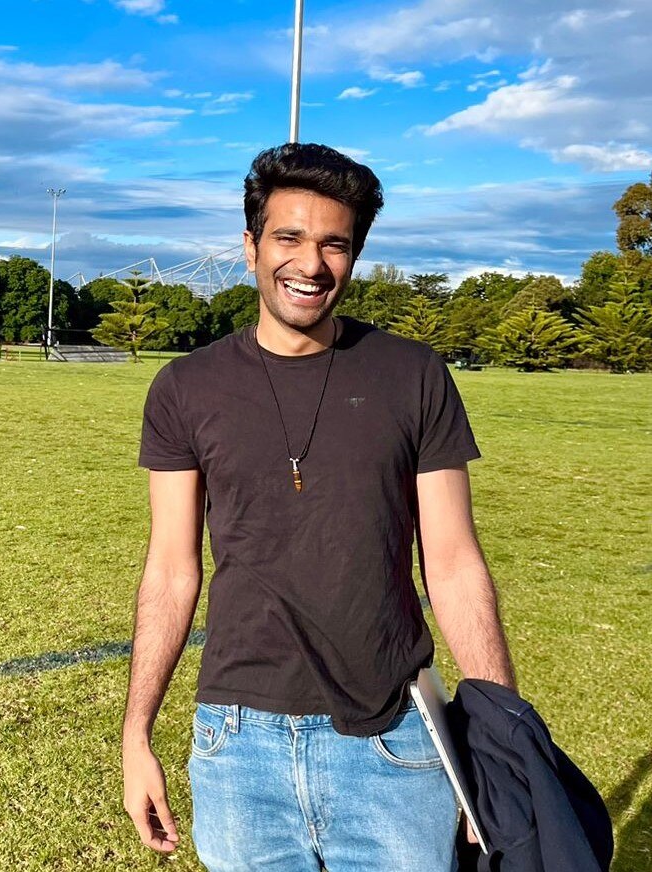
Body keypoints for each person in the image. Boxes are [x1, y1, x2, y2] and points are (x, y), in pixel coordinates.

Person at [121, 142, 517, 871]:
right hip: (235, 744)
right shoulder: (184, 387)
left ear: (354, 255)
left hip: (394, 741)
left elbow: (455, 564)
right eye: (288, 237)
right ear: (249, 246)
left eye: (334, 243)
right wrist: (135, 734)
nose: (310, 264)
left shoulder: (412, 374)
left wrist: (499, 736)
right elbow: (171, 572)